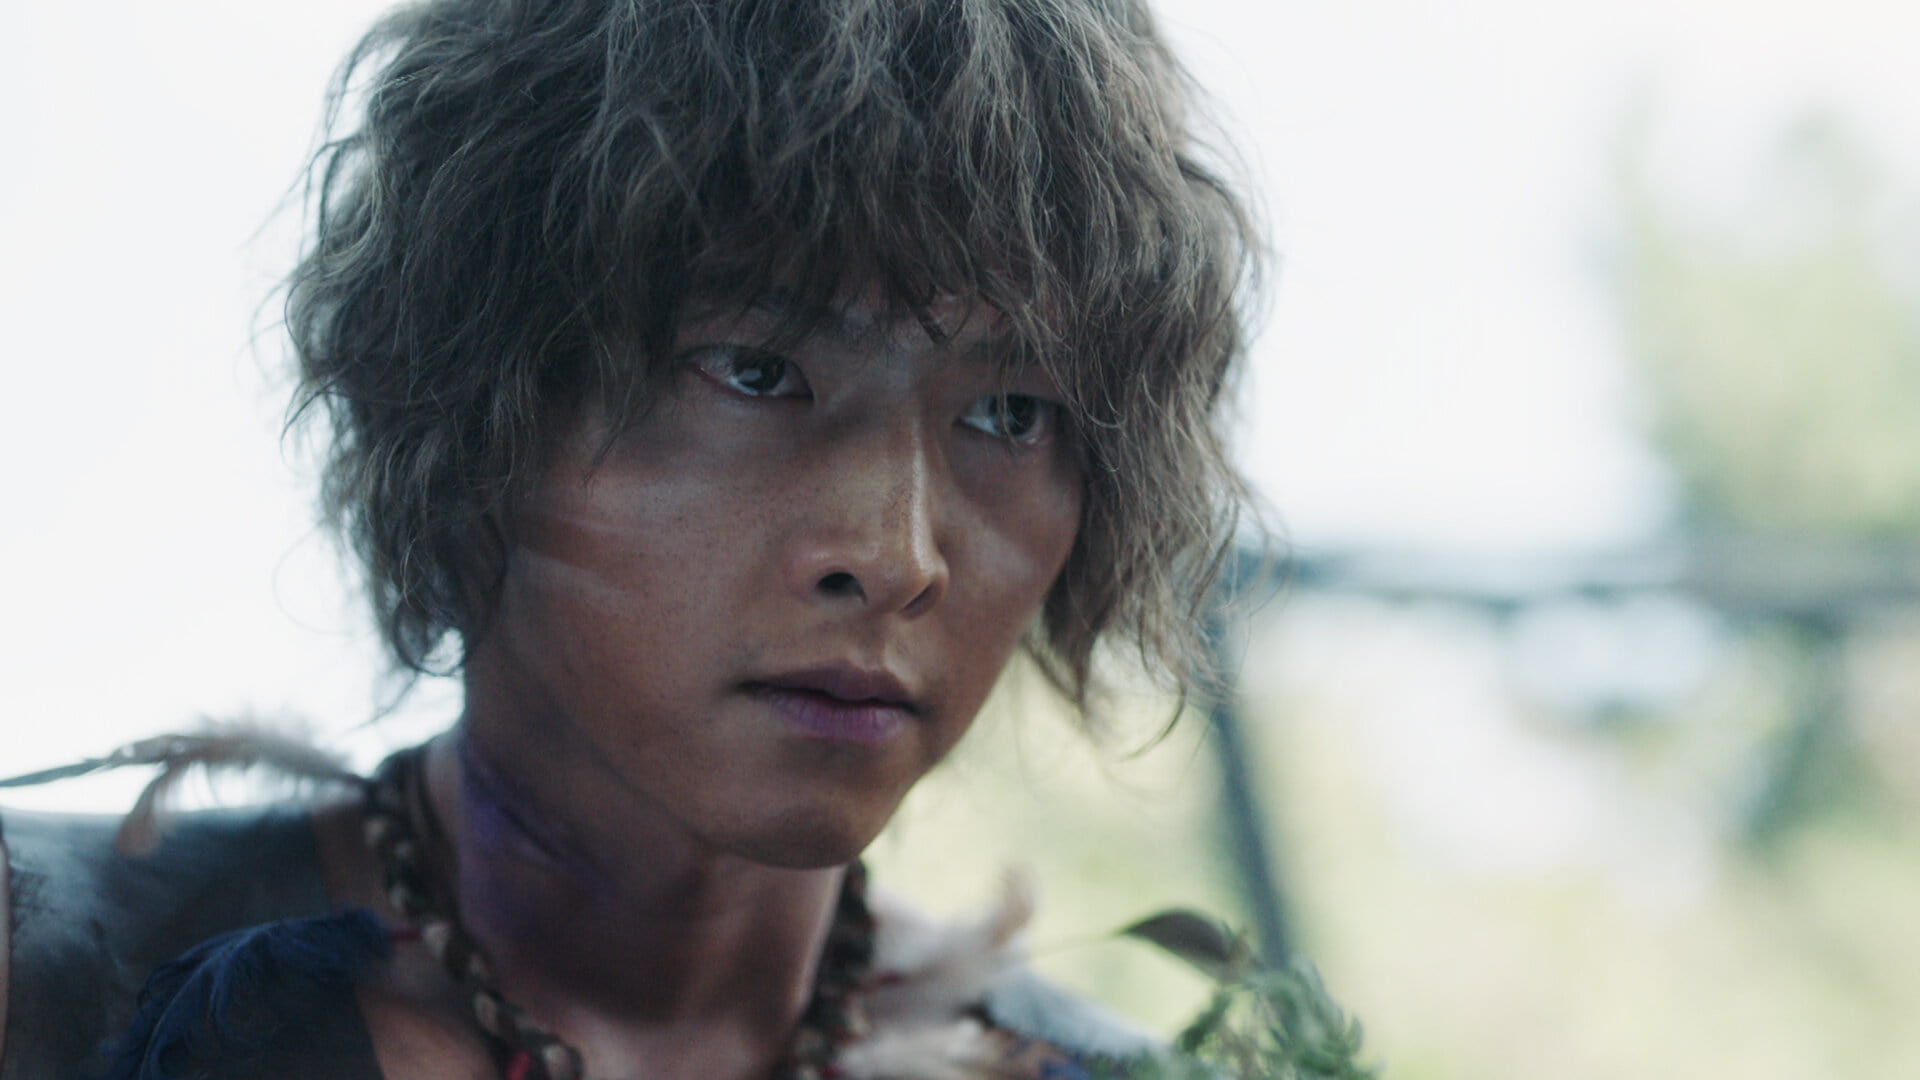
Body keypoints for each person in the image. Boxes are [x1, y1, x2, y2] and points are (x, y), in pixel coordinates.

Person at [0, 0, 1257, 1077]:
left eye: (1010, 414)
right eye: (756, 371)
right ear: (470, 399)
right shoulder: (42, 980)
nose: (895, 557)